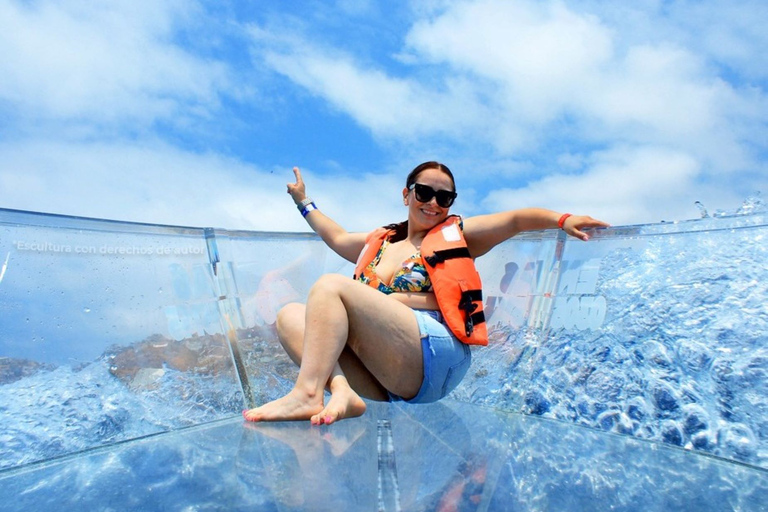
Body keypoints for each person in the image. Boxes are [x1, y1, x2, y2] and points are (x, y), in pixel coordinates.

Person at [243, 162, 609, 425]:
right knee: (290, 314)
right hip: (386, 368)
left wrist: (563, 220)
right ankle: (342, 391)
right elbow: (336, 237)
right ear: (406, 194)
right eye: (424, 192)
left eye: (444, 196)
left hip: (436, 356)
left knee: (329, 286)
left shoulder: (459, 235)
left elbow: (514, 220)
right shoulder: (381, 242)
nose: (434, 202)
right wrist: (303, 203)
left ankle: (306, 395)